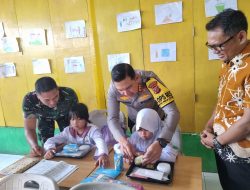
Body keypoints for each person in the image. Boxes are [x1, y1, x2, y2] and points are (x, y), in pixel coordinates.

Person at [200, 9, 250, 189]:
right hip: (223, 145)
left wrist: (217, 142)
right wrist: (209, 125)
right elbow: (223, 100)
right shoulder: (228, 61)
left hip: (243, 152)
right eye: (210, 46)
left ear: (241, 36)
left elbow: (248, 123)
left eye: (218, 45)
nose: (215, 51)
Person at [107, 63, 180, 164]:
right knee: (135, 153)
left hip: (157, 121)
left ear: (137, 77)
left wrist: (161, 142)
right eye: (121, 91)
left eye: (129, 87)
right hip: (135, 121)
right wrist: (123, 141)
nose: (126, 94)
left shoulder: (150, 80)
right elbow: (112, 118)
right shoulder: (113, 89)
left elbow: (173, 112)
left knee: (161, 152)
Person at [22, 77, 78, 157]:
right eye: (47, 100)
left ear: (58, 90)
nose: (52, 103)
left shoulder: (69, 94)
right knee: (46, 147)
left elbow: (75, 121)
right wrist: (34, 146)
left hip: (65, 116)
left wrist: (66, 143)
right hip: (44, 118)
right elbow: (30, 128)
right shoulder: (29, 100)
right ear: (37, 96)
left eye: (55, 97)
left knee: (70, 142)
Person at [43, 103, 110, 168]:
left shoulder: (93, 130)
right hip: (74, 162)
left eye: (79, 119)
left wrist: (102, 154)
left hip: (91, 159)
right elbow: (51, 140)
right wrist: (50, 149)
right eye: (72, 119)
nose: (75, 123)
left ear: (86, 119)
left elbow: (100, 141)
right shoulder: (68, 131)